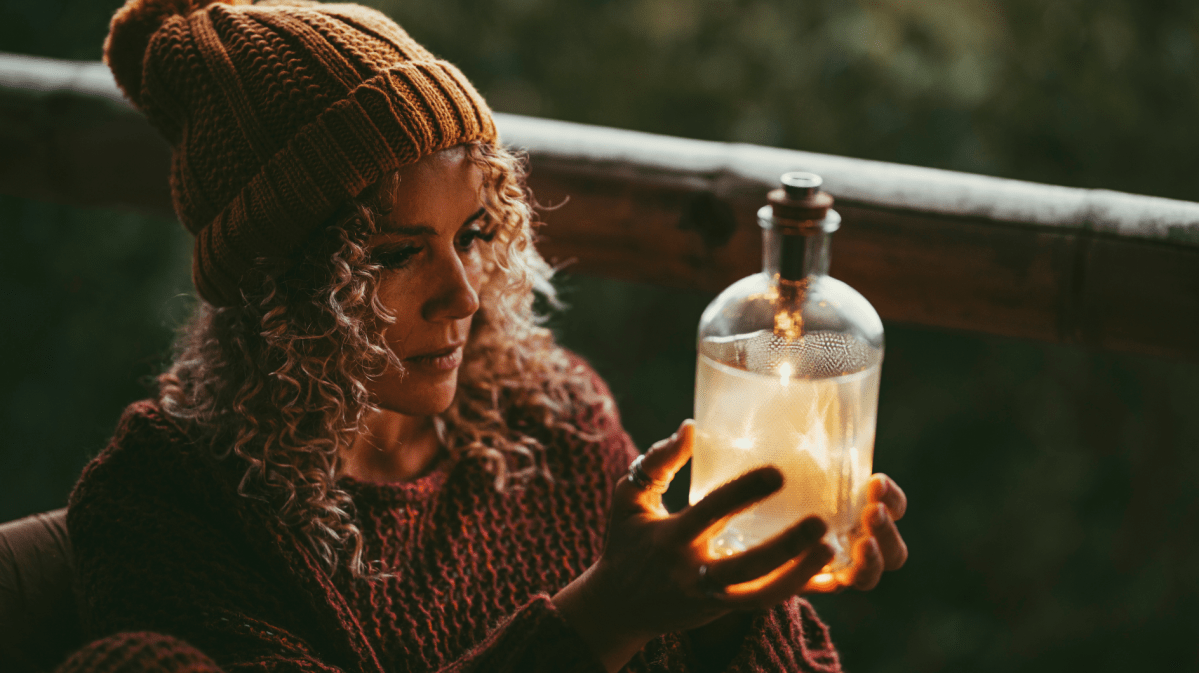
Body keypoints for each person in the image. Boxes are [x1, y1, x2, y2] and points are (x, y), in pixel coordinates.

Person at [58, 1, 908, 672]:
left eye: (471, 234)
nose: (462, 296)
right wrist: (604, 616)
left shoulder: (551, 412)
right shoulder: (166, 503)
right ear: (274, 286)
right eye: (392, 255)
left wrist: (732, 596)